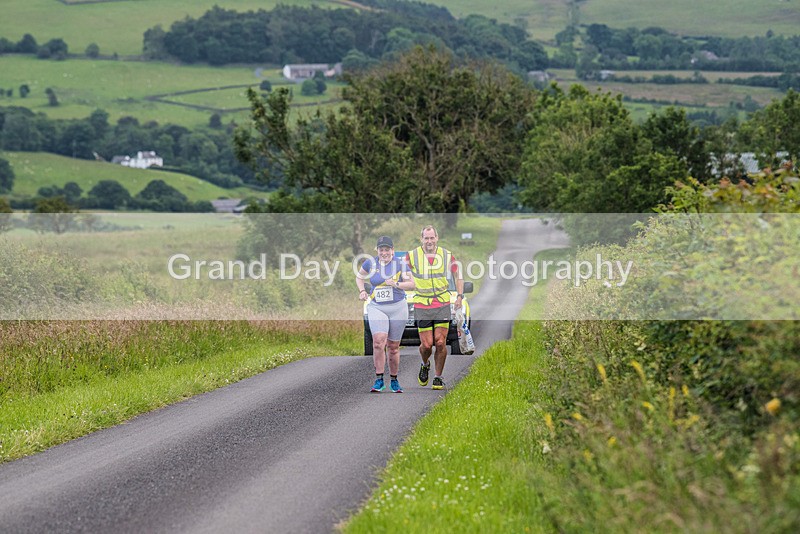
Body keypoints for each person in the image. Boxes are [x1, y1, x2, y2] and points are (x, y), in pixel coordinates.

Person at [406, 225, 463, 390]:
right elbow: (401, 273)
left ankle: (438, 377)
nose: (429, 241)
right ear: (421, 239)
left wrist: (459, 296)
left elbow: (458, 276)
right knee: (426, 345)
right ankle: (425, 364)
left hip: (442, 303)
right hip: (422, 304)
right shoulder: (412, 256)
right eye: (426, 238)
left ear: (437, 238)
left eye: (432, 238)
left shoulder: (446, 255)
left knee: (439, 342)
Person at [357, 236, 415, 393]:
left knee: (393, 346)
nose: (384, 252)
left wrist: (396, 284)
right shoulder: (370, 263)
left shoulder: (400, 264)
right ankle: (379, 379)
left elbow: (412, 284)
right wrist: (362, 291)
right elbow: (359, 276)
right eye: (381, 249)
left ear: (392, 250)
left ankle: (394, 380)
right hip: (377, 307)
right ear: (377, 250)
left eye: (387, 249)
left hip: (398, 307)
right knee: (378, 342)